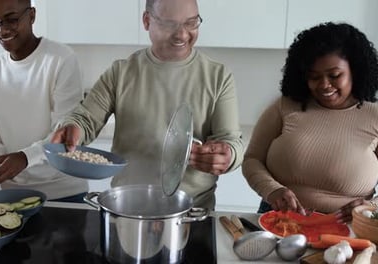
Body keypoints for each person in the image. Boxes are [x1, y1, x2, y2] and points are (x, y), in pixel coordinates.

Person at [51, 0, 243, 209]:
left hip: (191, 212)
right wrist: (72, 127)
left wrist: (228, 155)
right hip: (127, 209)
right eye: (170, 25)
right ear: (146, 20)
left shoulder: (218, 77)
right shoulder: (121, 73)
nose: (182, 34)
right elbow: (84, 118)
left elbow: (231, 141)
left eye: (191, 23)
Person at [242, 22, 378, 223]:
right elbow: (252, 159)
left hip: (349, 230)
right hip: (279, 222)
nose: (324, 85)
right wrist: (272, 190)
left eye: (334, 75)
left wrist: (371, 206)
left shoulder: (377, 118)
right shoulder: (285, 106)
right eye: (314, 77)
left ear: (355, 70)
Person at [0, 0, 88, 202]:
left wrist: (24, 158)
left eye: (11, 19)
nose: (1, 30)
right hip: (12, 193)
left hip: (64, 191)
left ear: (32, 16)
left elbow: (65, 135)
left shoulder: (61, 59)